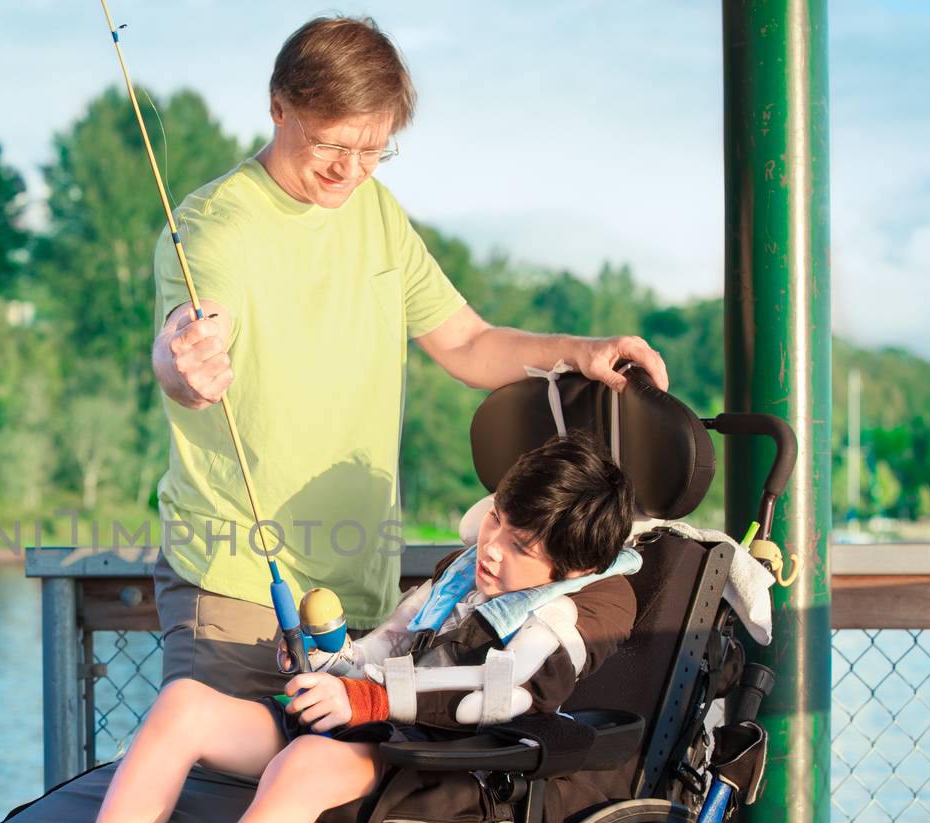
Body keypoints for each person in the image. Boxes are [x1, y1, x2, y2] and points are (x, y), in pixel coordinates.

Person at [10, 433, 638, 823]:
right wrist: (335, 662)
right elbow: (390, 643)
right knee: (184, 706)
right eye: (496, 519)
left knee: (306, 761)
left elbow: (499, 691)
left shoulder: (581, 611)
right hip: (384, 739)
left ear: (572, 569)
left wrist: (369, 701)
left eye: (519, 546)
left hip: (454, 774)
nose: (491, 548)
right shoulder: (464, 571)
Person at [151, 17, 670, 704]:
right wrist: (183, 363)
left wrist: (582, 351)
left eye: (373, 150)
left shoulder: (377, 213)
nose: (350, 169)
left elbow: (467, 343)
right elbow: (184, 338)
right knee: (220, 793)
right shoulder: (215, 224)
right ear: (279, 106)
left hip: (370, 607)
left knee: (335, 804)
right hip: (240, 593)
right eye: (332, 143)